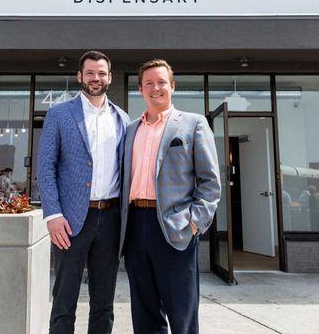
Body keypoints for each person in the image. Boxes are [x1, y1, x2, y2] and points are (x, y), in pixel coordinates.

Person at [120, 59, 221, 334]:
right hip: (135, 227)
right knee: (144, 311)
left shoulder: (193, 124)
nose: (156, 88)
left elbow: (210, 182)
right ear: (140, 89)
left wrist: (194, 222)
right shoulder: (130, 130)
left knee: (182, 311)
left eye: (162, 82)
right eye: (149, 83)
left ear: (172, 86)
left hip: (175, 226)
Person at [37, 50, 129, 334]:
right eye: (90, 73)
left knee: (104, 301)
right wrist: (52, 214)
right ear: (80, 76)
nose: (96, 78)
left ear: (110, 77)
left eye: (102, 73)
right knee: (65, 299)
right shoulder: (59, 114)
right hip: (71, 221)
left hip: (111, 218)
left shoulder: (123, 119)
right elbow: (45, 166)